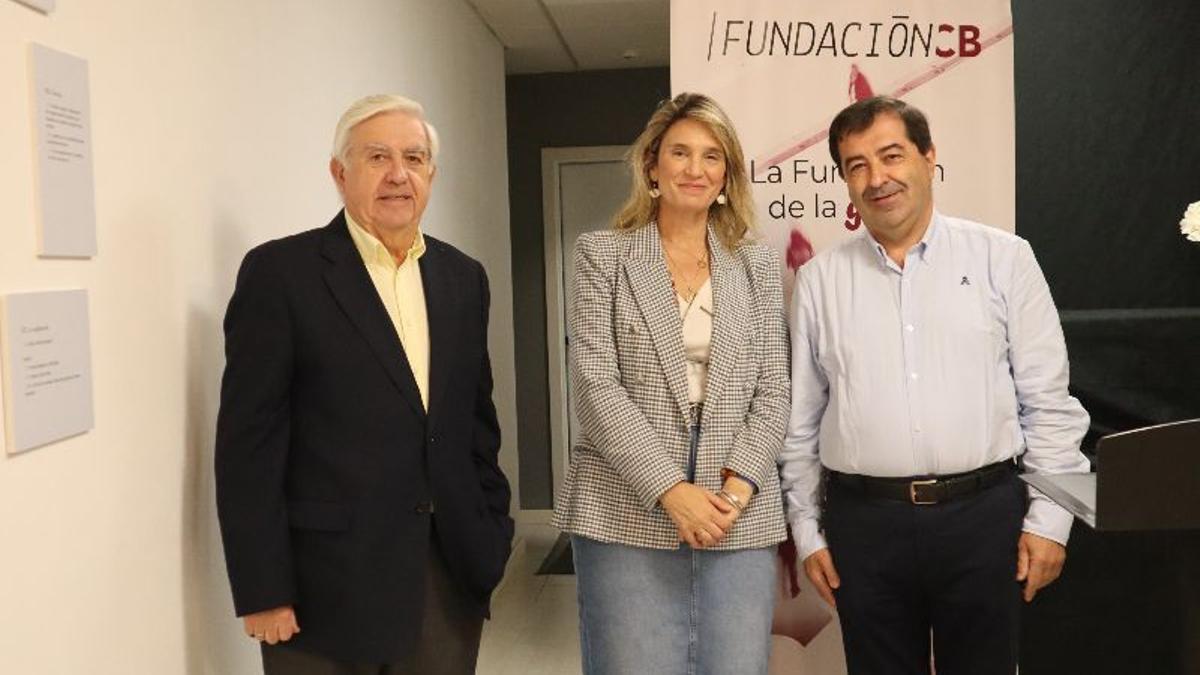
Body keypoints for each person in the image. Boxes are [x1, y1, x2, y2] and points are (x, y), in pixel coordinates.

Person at [780, 95, 1091, 674]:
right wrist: (807, 532)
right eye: (856, 165)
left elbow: (1048, 404)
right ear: (845, 180)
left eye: (892, 155)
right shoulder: (821, 281)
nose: (877, 179)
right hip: (863, 527)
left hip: (984, 520)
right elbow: (799, 421)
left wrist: (1052, 522)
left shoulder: (1005, 259)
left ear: (928, 157)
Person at [215, 94, 513, 675]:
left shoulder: (462, 278)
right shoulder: (281, 274)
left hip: (446, 575)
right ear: (339, 173)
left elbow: (477, 425)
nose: (399, 174)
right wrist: (262, 588)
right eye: (377, 157)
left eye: (414, 158)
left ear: (431, 174)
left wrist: (491, 534)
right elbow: (248, 444)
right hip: (322, 589)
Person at [552, 92, 791, 674]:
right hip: (626, 498)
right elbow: (595, 386)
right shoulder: (602, 254)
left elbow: (774, 391)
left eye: (712, 157)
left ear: (727, 175)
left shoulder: (755, 263)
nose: (695, 168)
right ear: (652, 166)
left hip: (737, 503)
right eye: (679, 153)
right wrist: (670, 489)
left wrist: (734, 493)